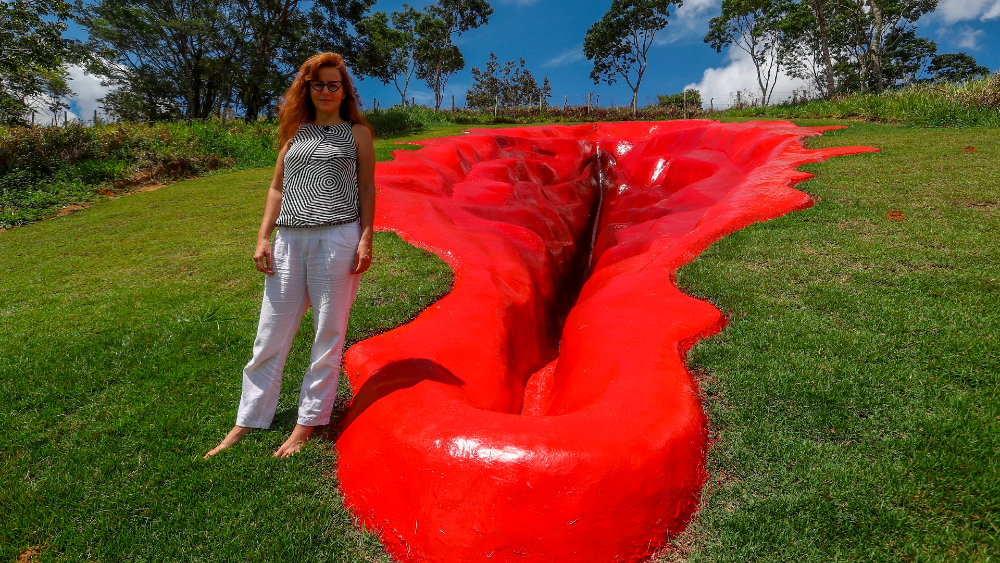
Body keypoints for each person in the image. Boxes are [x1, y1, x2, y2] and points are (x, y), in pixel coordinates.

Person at [205, 52, 376, 459]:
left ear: (345, 90)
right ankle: (248, 418)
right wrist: (263, 237)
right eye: (318, 84)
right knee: (270, 333)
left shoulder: (358, 134)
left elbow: (368, 188)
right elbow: (277, 189)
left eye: (334, 84)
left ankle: (308, 423)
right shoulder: (295, 133)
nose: (327, 91)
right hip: (288, 239)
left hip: (337, 238)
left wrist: (366, 238)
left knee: (327, 333)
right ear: (307, 89)